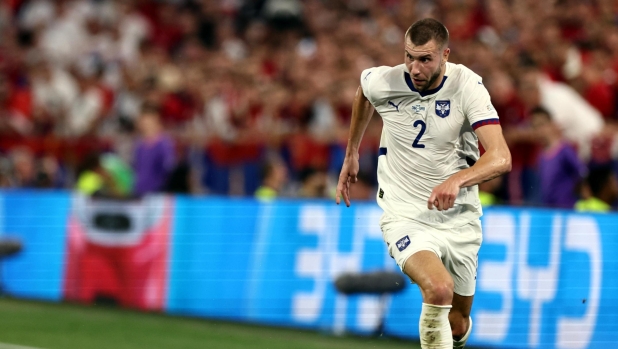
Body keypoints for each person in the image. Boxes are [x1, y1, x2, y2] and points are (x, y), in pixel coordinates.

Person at [335, 18, 511, 349]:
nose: (415, 68)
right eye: (409, 57)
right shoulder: (386, 80)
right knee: (438, 288)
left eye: (425, 59)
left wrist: (457, 180)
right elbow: (364, 94)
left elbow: (501, 156)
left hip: (459, 218)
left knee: (457, 325)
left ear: (445, 55)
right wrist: (352, 152)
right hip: (405, 213)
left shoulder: (467, 87)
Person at [530, 107, 586, 208]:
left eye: (541, 125)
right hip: (547, 208)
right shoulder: (540, 154)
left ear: (551, 124)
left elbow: (581, 172)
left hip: (566, 208)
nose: (539, 130)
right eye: (535, 127)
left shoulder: (565, 150)